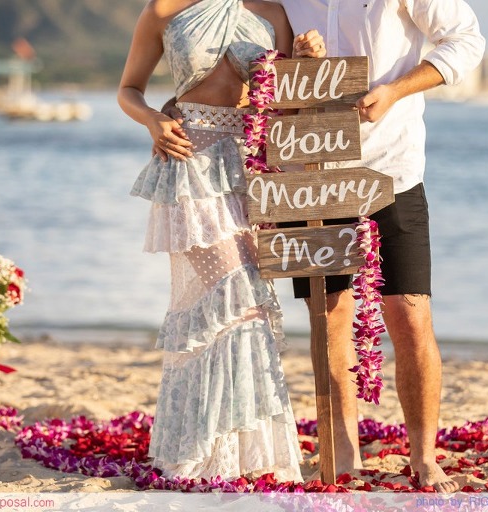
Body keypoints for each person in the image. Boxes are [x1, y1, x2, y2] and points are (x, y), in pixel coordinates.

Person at [271, 0, 486, 493]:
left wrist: (395, 90)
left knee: (410, 317)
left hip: (393, 171)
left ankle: (424, 457)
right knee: (330, 318)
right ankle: (343, 453)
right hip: (313, 175)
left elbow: (467, 40)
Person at [117, 0, 326, 481]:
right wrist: (152, 119)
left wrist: (305, 61)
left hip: (252, 168)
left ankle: (239, 451)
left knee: (248, 301)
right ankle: (206, 450)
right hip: (189, 160)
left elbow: (287, 103)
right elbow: (128, 89)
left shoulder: (275, 13)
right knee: (232, 295)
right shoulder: (165, 8)